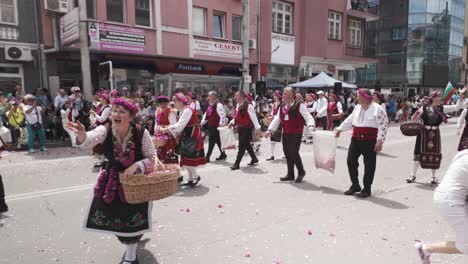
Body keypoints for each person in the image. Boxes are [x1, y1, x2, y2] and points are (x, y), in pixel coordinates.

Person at [66, 97, 156, 264]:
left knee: (134, 217)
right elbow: (89, 140)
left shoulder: (141, 132)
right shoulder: (105, 129)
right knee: (114, 215)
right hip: (111, 180)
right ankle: (130, 244)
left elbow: (153, 157)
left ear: (130, 116)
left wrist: (137, 164)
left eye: (121, 112)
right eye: (114, 110)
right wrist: (82, 134)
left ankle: (131, 255)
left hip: (135, 183)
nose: (116, 114)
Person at [413, 150, 468, 264]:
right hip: (451, 202)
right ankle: (425, 249)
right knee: (466, 246)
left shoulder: (464, 153)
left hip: (448, 197)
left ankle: (425, 249)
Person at [335, 88, 389, 198]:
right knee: (351, 161)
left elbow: (383, 125)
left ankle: (367, 188)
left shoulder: (377, 109)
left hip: (370, 140)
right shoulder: (357, 107)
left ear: (365, 97)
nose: (357, 98)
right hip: (355, 139)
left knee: (369, 165)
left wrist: (380, 141)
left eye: (359, 96)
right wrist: (340, 129)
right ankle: (355, 185)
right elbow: (350, 120)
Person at [407, 88, 466, 185]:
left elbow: (456, 107)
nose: (440, 98)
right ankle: (412, 175)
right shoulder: (424, 108)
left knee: (434, 154)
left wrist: (460, 97)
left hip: (434, 134)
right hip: (423, 133)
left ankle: (433, 177)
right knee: (418, 153)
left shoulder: (442, 108)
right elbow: (415, 116)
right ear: (434, 98)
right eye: (439, 97)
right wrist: (416, 120)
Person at [267, 87, 315, 183]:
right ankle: (290, 174)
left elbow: (308, 117)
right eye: (283, 93)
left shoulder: (299, 106)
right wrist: (270, 130)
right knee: (287, 153)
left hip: (296, 133)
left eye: (285, 93)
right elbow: (277, 119)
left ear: (291, 95)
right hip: (286, 133)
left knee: (294, 152)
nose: (283, 95)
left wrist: (311, 125)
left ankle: (301, 171)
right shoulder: (282, 106)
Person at [158, 93, 206, 186]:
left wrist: (167, 129)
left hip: (192, 136)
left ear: (180, 101)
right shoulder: (184, 110)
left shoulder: (187, 110)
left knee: (189, 158)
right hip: (188, 135)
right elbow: (179, 125)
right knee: (185, 157)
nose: (174, 103)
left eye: (175, 101)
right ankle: (190, 179)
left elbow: (180, 125)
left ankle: (196, 177)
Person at [229, 91, 262, 171]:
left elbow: (254, 118)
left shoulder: (249, 106)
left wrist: (258, 128)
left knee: (241, 146)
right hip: (240, 128)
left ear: (240, 97)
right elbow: (237, 116)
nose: (234, 97)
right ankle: (254, 158)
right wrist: (232, 122)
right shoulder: (238, 105)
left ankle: (237, 164)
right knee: (246, 144)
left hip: (247, 128)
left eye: (236, 96)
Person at [201, 91, 227, 162]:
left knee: (211, 141)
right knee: (218, 141)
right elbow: (207, 114)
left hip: (216, 127)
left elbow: (222, 114)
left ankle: (207, 156)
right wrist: (203, 121)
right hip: (211, 126)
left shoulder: (218, 105)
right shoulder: (210, 105)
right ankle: (223, 154)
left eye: (209, 96)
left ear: (214, 97)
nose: (208, 97)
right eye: (208, 96)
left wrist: (222, 123)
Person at [153, 96, 177, 163]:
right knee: (159, 156)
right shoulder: (157, 110)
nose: (162, 104)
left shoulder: (171, 111)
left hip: (169, 137)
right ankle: (163, 172)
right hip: (159, 138)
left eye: (164, 102)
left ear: (167, 103)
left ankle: (173, 172)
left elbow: (174, 125)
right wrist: (156, 129)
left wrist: (163, 128)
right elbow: (156, 122)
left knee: (169, 156)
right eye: (161, 103)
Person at [266, 90, 283, 161]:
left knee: (283, 140)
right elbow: (273, 113)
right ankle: (272, 155)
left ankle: (286, 154)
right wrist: (269, 116)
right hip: (274, 122)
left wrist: (272, 117)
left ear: (278, 96)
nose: (273, 97)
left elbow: (280, 115)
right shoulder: (274, 104)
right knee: (272, 140)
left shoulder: (282, 104)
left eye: (275, 95)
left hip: (280, 123)